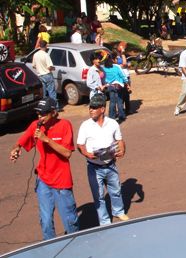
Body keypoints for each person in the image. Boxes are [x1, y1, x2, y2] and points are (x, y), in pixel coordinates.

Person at [9, 97, 79, 240]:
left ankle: (75, 246)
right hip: (43, 181)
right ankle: (50, 249)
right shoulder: (36, 125)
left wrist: (46, 139)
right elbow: (20, 142)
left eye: (43, 114)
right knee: (45, 221)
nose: (40, 117)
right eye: (38, 114)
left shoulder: (65, 125)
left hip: (61, 182)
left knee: (70, 221)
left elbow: (67, 153)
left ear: (53, 112)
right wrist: (15, 150)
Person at [77, 94, 129, 225]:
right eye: (90, 107)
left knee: (115, 190)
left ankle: (118, 211)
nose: (91, 110)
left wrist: (122, 150)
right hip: (94, 167)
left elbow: (119, 139)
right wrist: (87, 154)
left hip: (110, 165)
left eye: (94, 107)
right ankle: (105, 221)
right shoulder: (85, 125)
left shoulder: (113, 123)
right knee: (98, 195)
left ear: (102, 109)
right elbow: (80, 145)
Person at [32, 40, 60, 111]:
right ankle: (55, 108)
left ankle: (44, 107)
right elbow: (49, 67)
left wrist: (40, 68)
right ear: (46, 46)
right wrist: (54, 68)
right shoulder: (46, 55)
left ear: (39, 46)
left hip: (40, 76)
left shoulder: (35, 54)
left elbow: (34, 66)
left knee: (43, 94)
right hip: (47, 75)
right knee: (52, 92)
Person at [103, 54, 128, 122]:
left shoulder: (104, 68)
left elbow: (104, 78)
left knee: (112, 102)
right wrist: (126, 82)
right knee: (119, 101)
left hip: (110, 86)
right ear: (112, 60)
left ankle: (111, 116)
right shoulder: (116, 67)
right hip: (118, 86)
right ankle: (121, 116)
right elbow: (122, 75)